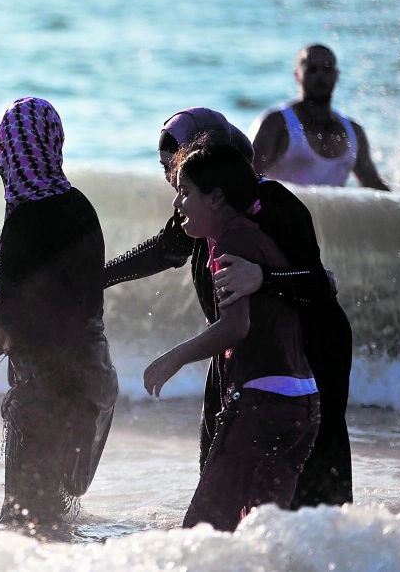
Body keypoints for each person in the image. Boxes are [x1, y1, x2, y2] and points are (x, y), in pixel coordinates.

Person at [105, 107, 353, 508]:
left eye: (178, 169)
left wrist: (264, 278)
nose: (173, 183)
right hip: (239, 350)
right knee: (218, 458)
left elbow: (319, 284)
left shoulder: (270, 206)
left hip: (309, 352)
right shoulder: (202, 209)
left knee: (317, 474)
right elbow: (165, 250)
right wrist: (99, 277)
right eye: (169, 171)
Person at [144, 143, 320, 531]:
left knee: (202, 534)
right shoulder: (258, 237)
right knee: (260, 534)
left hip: (262, 404)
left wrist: (174, 357)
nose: (178, 202)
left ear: (216, 198)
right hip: (302, 405)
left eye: (186, 192)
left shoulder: (230, 245)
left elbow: (234, 327)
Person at [0, 97, 118, 524]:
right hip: (92, 375)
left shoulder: (28, 217)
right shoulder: (79, 205)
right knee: (54, 517)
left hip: (46, 391)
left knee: (24, 520)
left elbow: (18, 314)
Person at [250, 44, 390, 190]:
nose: (320, 76)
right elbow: (247, 177)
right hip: (282, 212)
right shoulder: (276, 124)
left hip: (333, 213)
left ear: (336, 75)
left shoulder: (354, 132)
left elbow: (374, 188)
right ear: (297, 75)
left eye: (327, 69)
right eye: (312, 70)